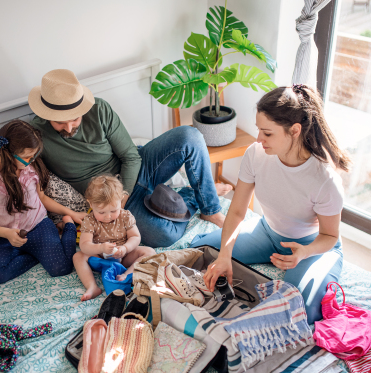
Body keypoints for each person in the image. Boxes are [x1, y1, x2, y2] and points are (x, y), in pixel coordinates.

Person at [191, 84, 350, 324]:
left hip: (312, 244)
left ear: (294, 130)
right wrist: (225, 255)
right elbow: (236, 212)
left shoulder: (324, 179)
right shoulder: (256, 154)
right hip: (267, 232)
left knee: (298, 306)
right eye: (259, 130)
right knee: (201, 250)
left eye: (267, 133)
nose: (259, 139)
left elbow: (329, 235)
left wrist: (304, 252)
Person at [27, 69, 231, 248]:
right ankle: (191, 195)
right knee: (165, 234)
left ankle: (210, 208)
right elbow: (17, 170)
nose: (70, 128)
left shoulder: (99, 110)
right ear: (46, 115)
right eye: (60, 123)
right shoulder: (35, 135)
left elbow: (131, 157)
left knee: (190, 136)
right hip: (106, 196)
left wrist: (121, 197)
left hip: (135, 171)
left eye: (75, 119)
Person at [0, 120, 87, 284]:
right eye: (27, 157)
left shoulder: (32, 168)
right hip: (8, 235)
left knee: (61, 268)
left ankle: (68, 227)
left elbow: (43, 198)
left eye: (34, 155)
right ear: (8, 153)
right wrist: (6, 234)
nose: (32, 160)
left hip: (39, 226)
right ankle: (35, 255)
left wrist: (71, 214)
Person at [74, 175, 155, 301]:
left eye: (113, 211)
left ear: (121, 200)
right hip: (100, 257)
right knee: (78, 256)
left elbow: (135, 236)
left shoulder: (125, 216)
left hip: (123, 255)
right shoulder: (89, 220)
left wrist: (125, 248)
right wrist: (100, 248)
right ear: (90, 203)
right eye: (101, 212)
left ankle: (126, 275)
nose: (108, 216)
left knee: (149, 252)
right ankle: (92, 286)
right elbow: (84, 244)